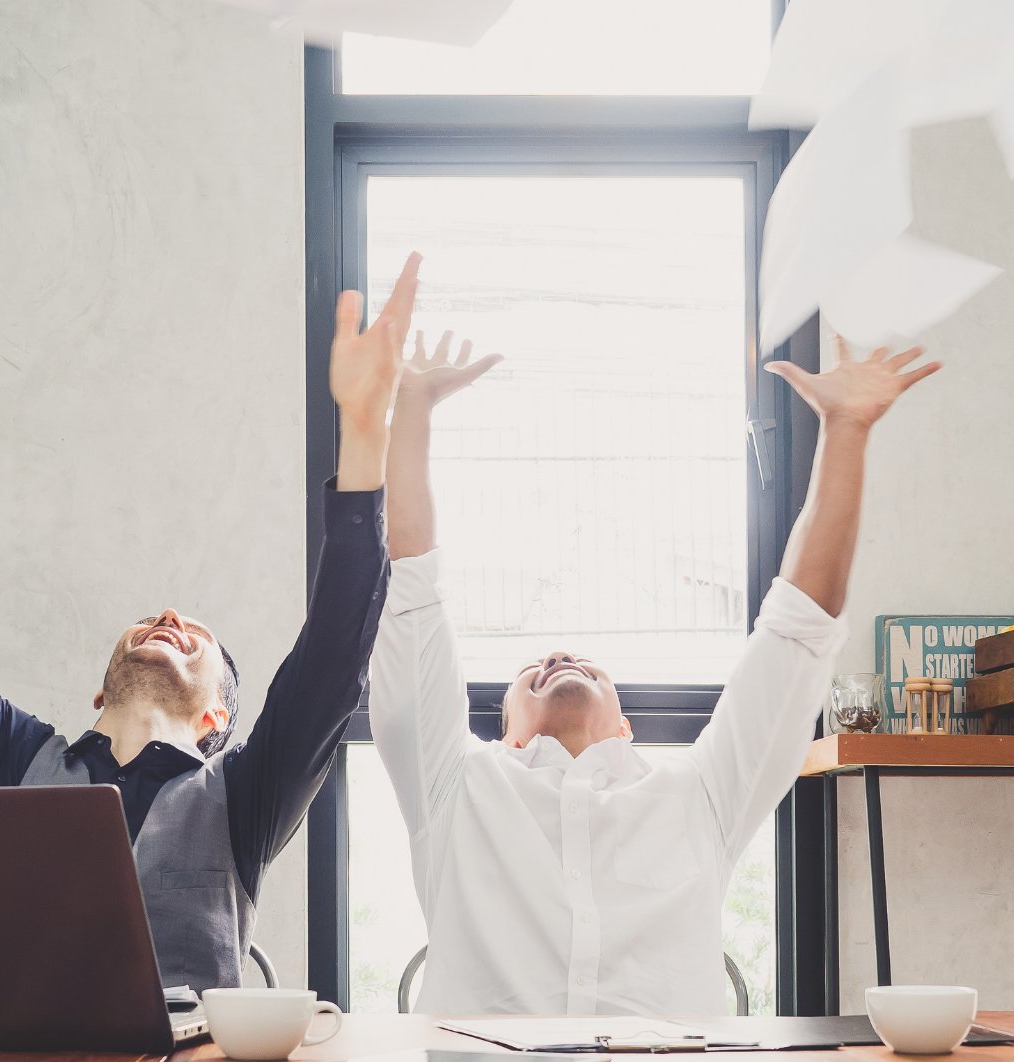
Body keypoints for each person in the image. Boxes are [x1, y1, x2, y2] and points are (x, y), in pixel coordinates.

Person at [0, 200, 415, 993]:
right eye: (154, 619)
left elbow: (333, 664)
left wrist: (366, 435)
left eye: (194, 633)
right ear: (100, 686)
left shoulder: (241, 796)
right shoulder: (6, 761)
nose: (169, 619)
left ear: (217, 722)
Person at [370, 329, 940, 1015]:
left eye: (586, 666)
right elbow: (411, 599)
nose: (558, 659)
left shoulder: (698, 796)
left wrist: (847, 430)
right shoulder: (454, 786)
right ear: (505, 733)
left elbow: (798, 631)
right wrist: (410, 412)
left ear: (626, 725)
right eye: (531, 671)